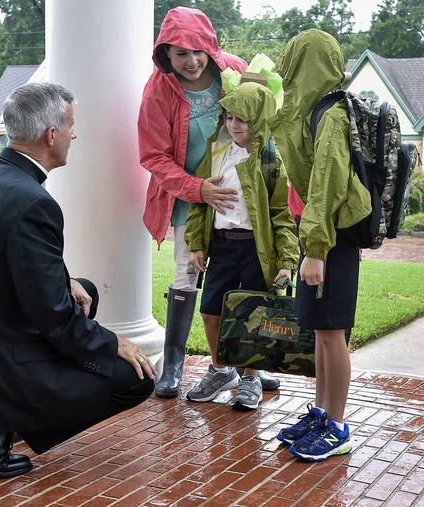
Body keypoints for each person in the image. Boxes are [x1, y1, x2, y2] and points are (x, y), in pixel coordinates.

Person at [0, 83, 156, 479]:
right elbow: (53, 317)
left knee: (86, 291)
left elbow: (0, 257)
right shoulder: (34, 201)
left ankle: (18, 410)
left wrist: (65, 279)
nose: (74, 135)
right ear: (51, 135)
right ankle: (0, 426)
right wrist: (113, 342)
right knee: (134, 378)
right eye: (70, 126)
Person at [138, 7, 279, 397]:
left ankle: (250, 363)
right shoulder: (158, 89)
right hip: (191, 199)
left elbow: (266, 115)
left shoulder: (233, 71)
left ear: (211, 47)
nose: (191, 60)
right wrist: (199, 189)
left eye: (198, 50)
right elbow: (153, 156)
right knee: (190, 275)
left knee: (254, 278)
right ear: (165, 52)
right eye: (180, 52)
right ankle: (175, 364)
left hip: (245, 200)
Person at [268, 30, 371, 461]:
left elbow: (327, 184)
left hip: (331, 238)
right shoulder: (313, 110)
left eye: (292, 59)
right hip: (321, 232)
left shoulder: (331, 115)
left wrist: (314, 250)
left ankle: (338, 425)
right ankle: (322, 414)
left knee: (333, 332)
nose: (285, 68)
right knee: (320, 332)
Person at [185, 80, 297, 409]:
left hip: (255, 250)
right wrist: (196, 244)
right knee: (210, 311)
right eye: (229, 118)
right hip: (221, 245)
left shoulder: (270, 162)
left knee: (253, 317)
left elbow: (281, 215)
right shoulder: (217, 152)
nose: (233, 125)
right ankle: (222, 370)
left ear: (259, 120)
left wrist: (287, 261)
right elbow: (200, 202)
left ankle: (250, 377)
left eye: (242, 120)